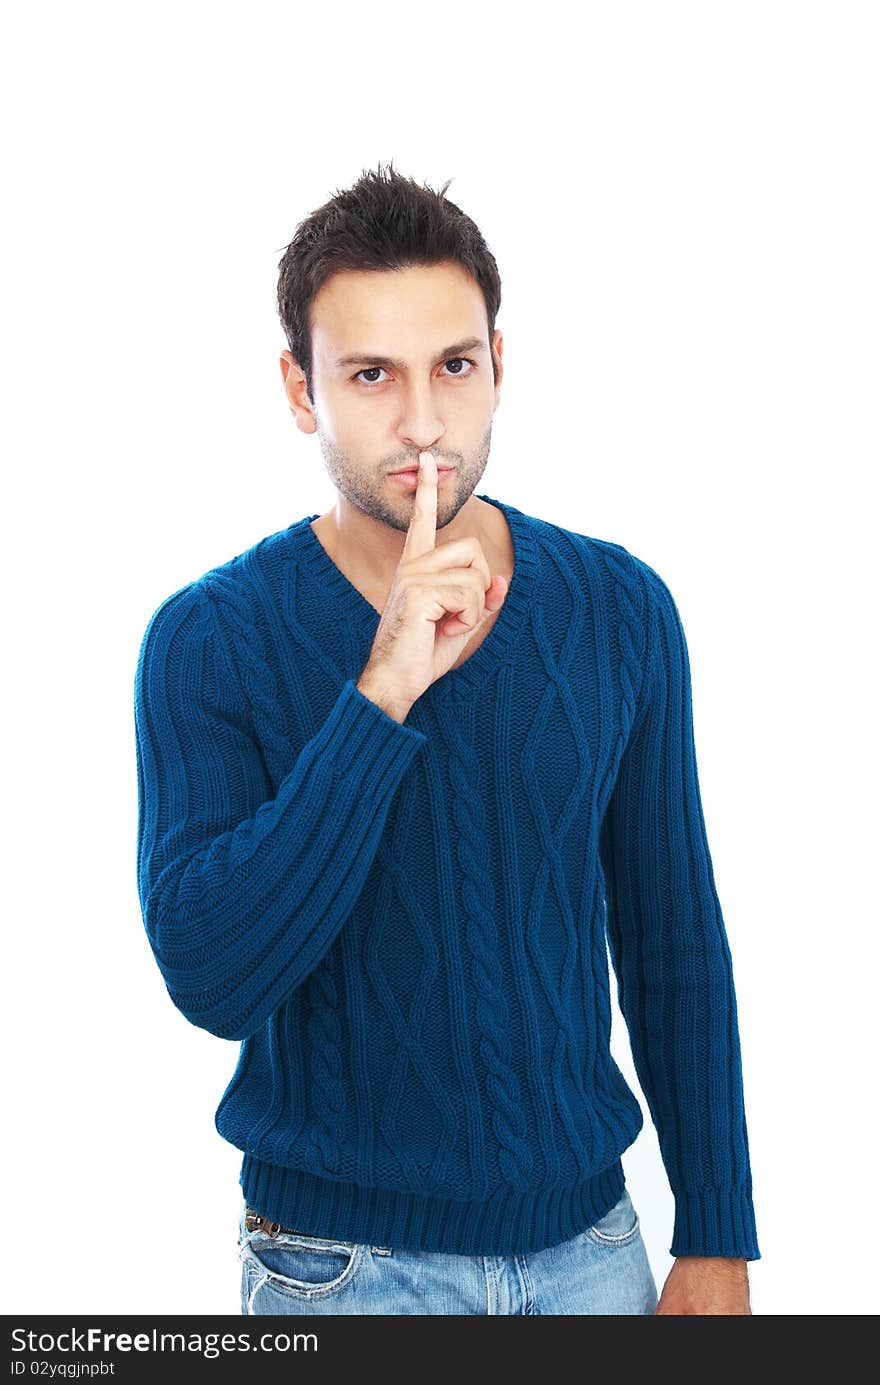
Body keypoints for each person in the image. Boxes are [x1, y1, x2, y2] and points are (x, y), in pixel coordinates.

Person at [134, 162, 760, 1316]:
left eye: (453, 366)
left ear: (498, 366)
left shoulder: (619, 608)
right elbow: (214, 975)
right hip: (337, 1269)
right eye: (370, 374)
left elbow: (673, 937)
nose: (422, 420)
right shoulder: (210, 639)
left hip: (592, 1250)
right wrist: (381, 692)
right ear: (299, 387)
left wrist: (716, 1229)